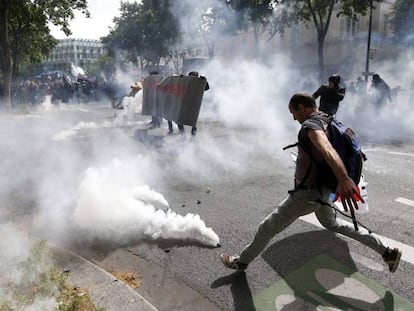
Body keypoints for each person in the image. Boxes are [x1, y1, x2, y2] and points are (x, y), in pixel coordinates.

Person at [220, 93, 402, 273]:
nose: (293, 118)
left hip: (308, 195)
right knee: (333, 224)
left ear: (301, 107)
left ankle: (242, 262)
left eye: (293, 112)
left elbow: (326, 148)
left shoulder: (311, 125)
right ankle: (387, 251)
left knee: (267, 227)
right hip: (324, 191)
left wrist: (344, 178)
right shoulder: (326, 119)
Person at [177, 71, 210, 137]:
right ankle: (182, 135)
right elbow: (178, 85)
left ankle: (193, 136)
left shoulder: (199, 82)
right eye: (190, 76)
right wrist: (180, 79)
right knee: (179, 121)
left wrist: (204, 81)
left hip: (194, 105)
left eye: (193, 76)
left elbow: (206, 88)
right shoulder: (186, 81)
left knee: (193, 122)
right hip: (185, 104)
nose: (191, 78)